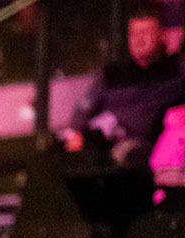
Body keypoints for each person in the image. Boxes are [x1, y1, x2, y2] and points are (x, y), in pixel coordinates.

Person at [63, 4, 185, 167]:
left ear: (162, 36)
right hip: (108, 146)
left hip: (155, 149)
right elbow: (83, 109)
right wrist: (74, 132)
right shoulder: (112, 74)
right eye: (134, 33)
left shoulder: (177, 69)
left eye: (145, 32)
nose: (139, 40)